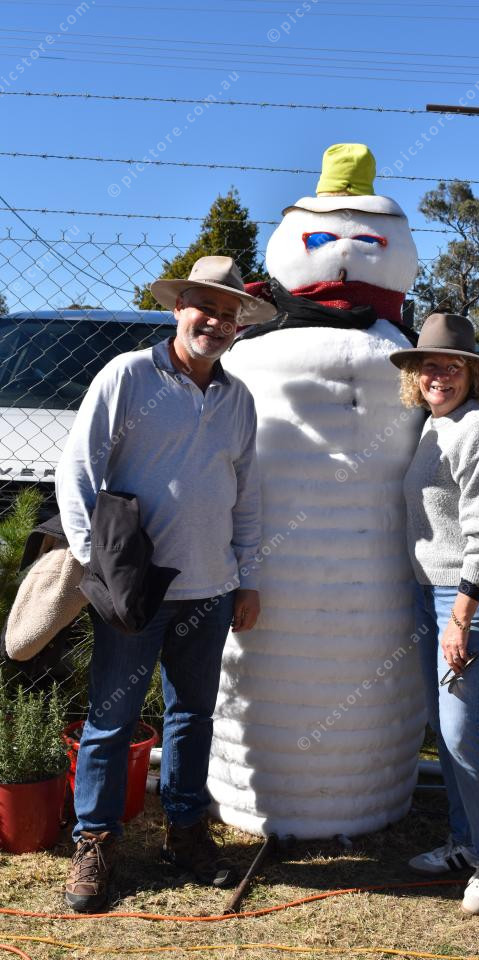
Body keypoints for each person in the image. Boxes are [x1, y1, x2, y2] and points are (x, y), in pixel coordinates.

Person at [56, 256, 271, 913]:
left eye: (230, 314)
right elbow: (77, 469)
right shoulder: (127, 376)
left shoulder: (238, 399)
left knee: (193, 714)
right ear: (178, 308)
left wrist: (247, 578)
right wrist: (96, 564)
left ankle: (185, 831)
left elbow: (247, 493)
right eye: (206, 308)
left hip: (210, 587)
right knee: (111, 717)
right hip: (134, 587)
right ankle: (95, 842)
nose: (217, 322)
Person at [389, 313, 479, 916]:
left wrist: (460, 616)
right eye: (429, 365)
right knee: (445, 729)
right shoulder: (432, 426)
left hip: (473, 593)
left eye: (453, 366)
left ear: (473, 375)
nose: (439, 375)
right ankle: (465, 843)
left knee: (464, 731)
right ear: (415, 374)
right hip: (430, 590)